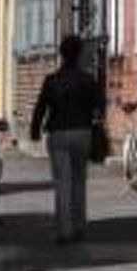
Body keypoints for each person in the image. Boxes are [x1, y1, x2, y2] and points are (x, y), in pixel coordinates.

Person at [29, 34, 105, 244]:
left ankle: (64, 230)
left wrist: (34, 130)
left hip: (58, 133)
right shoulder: (88, 80)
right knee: (79, 181)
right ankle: (79, 226)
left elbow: (40, 107)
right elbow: (99, 106)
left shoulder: (52, 80)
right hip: (82, 132)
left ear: (61, 54)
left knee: (63, 182)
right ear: (79, 54)